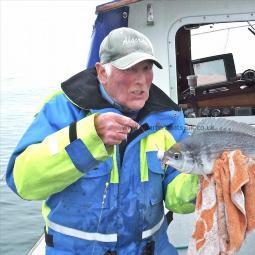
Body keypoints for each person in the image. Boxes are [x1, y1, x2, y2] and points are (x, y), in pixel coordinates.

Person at [6, 27, 199, 255]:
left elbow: (178, 197)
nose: (140, 80)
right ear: (102, 72)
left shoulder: (169, 118)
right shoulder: (63, 109)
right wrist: (89, 137)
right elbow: (23, 181)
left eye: (146, 68)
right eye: (129, 69)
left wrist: (205, 180)